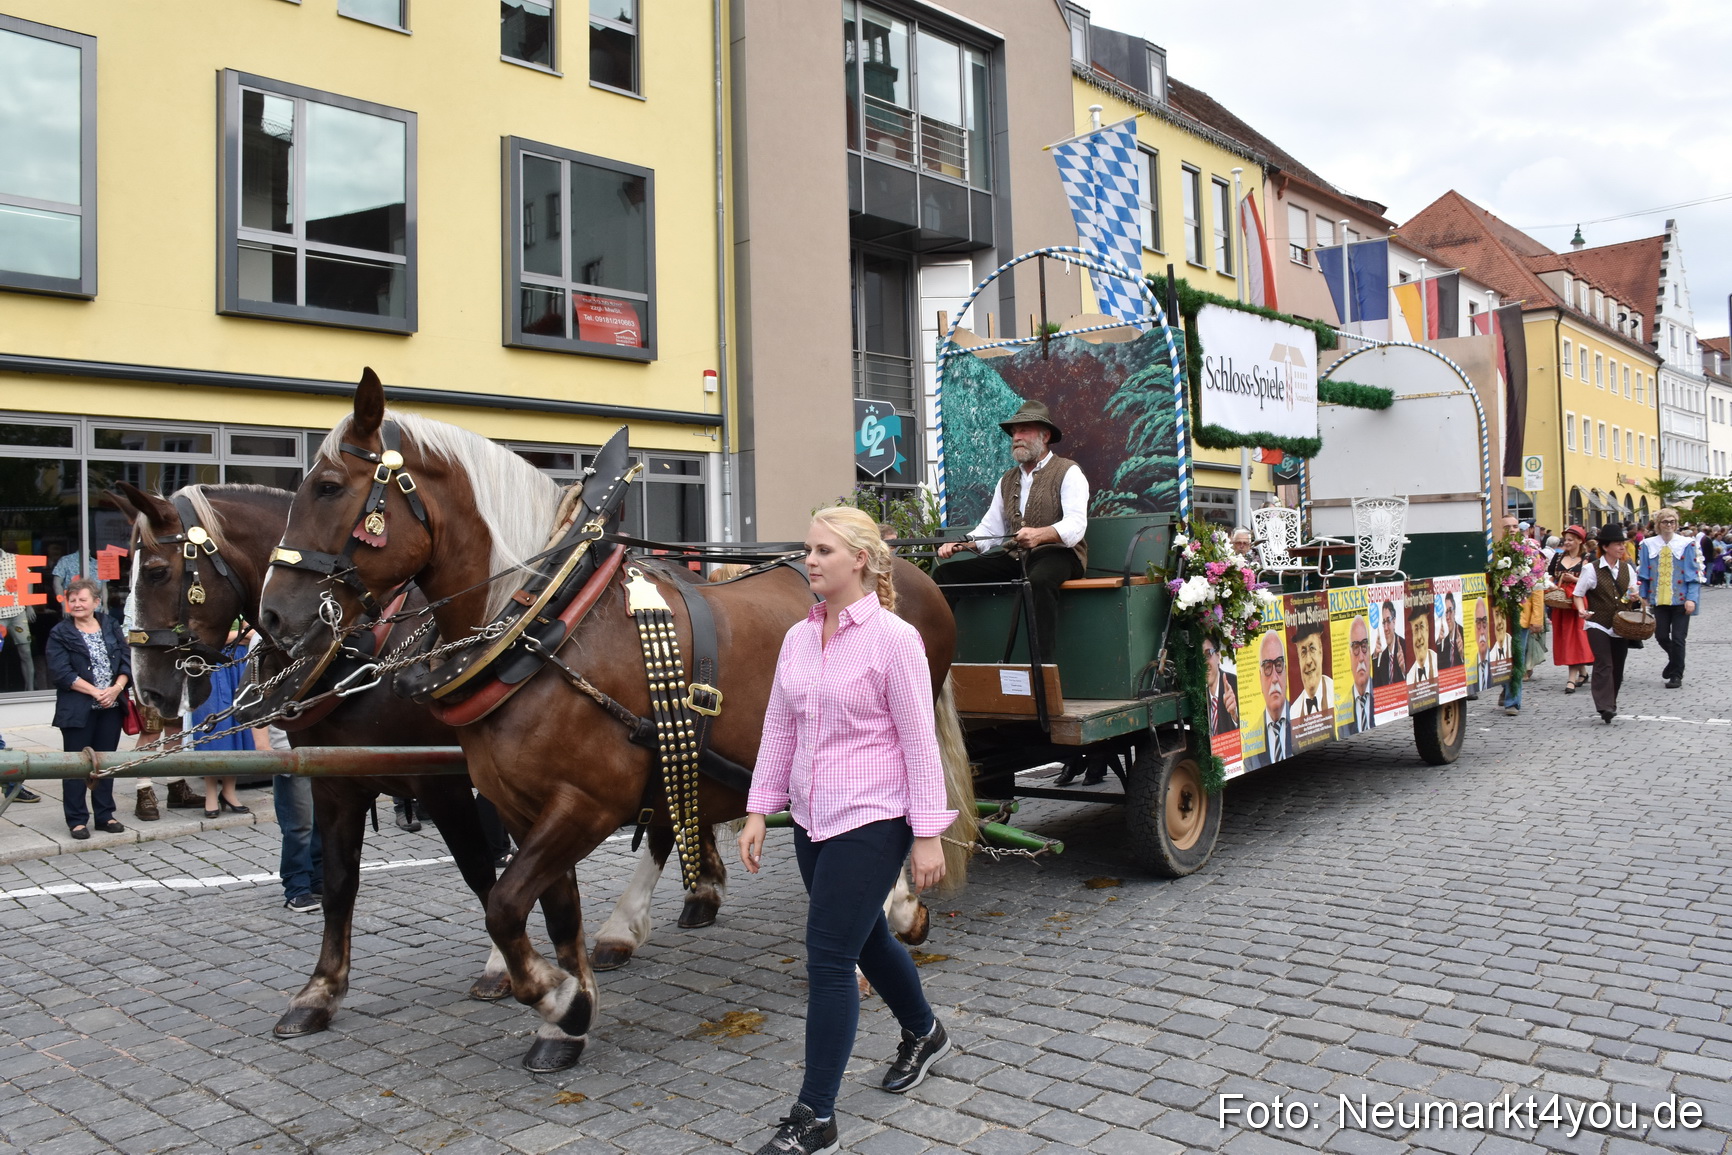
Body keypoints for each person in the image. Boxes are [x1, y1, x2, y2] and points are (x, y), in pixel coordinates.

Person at [738, 506, 956, 1155]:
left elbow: (920, 742)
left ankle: (815, 1116)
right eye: (807, 548)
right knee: (862, 939)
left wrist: (926, 832)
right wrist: (758, 807)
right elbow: (780, 727)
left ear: (859, 559)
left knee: (829, 957)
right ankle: (925, 1030)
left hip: (874, 815)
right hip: (810, 816)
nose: (810, 559)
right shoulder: (796, 639)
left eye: (823, 549)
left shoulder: (894, 639)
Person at [934, 400, 1088, 660]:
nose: (1016, 437)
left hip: (1060, 554)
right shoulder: (1007, 479)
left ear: (1045, 435)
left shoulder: (1068, 471)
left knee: (1037, 581)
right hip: (1017, 556)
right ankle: (937, 661)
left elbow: (1076, 525)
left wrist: (1039, 534)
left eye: (1024, 430)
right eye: (1014, 433)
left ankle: (1042, 672)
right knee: (946, 575)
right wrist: (964, 543)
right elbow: (991, 527)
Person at [46, 578, 131, 839]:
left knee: (106, 763)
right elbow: (61, 673)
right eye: (72, 600)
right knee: (76, 766)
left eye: (82, 599)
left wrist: (116, 689)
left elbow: (126, 661)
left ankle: (105, 815)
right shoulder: (60, 632)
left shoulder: (111, 624)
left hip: (111, 706)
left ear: (96, 601)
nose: (77, 604)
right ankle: (77, 820)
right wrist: (95, 691)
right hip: (77, 710)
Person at [1573, 523, 1641, 724]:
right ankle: (1604, 706)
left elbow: (1631, 594)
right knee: (1604, 663)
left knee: (1618, 666)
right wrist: (1581, 610)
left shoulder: (1628, 569)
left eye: (1623, 544)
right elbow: (1578, 594)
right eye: (1618, 544)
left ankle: (1611, 702)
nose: (1622, 548)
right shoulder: (1590, 569)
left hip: (1622, 624)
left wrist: (1634, 597)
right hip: (1597, 623)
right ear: (1606, 546)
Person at [189, 624, 254, 819]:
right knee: (212, 730)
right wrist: (237, 636)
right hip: (210, 665)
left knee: (237, 727)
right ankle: (210, 793)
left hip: (239, 662)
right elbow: (202, 637)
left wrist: (226, 636)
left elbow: (252, 634)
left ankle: (229, 791)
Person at [1636, 507, 1701, 689]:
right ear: (1658, 524)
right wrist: (1644, 595)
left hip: (1681, 599)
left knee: (1679, 637)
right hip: (1659, 599)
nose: (1669, 525)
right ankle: (1674, 661)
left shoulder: (1686, 544)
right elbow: (1644, 573)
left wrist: (1691, 598)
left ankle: (1676, 675)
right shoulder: (1648, 544)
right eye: (1665, 521)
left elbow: (1693, 573)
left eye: (1672, 521)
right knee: (1661, 635)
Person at [266, 725, 324, 913]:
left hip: (321, 747)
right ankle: (297, 888)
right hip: (288, 749)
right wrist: (266, 749)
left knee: (321, 819)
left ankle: (318, 878)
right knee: (299, 825)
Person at [1548, 526, 1594, 693]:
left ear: (1579, 541)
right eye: (1565, 539)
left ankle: (1571, 680)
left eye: (1570, 540)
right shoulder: (1558, 556)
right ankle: (1582, 673)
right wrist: (1551, 586)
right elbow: (1551, 577)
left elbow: (1591, 582)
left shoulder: (1588, 558)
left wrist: (1573, 578)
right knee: (1565, 638)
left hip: (1578, 604)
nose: (1566, 542)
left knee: (1574, 639)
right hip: (1561, 603)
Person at [1243, 631, 1293, 770]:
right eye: (1267, 668)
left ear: (1286, 672)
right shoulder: (1250, 742)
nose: (1275, 678)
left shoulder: (1300, 717)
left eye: (1278, 665)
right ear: (1260, 678)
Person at [1286, 623, 1333, 721]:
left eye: (1312, 649)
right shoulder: (1294, 712)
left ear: (1321, 652)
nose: (1308, 661)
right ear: (1298, 659)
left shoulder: (1335, 693)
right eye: (1303, 652)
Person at [1340, 617, 1374, 736]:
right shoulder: (1342, 708)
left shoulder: (1380, 690)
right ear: (1349, 655)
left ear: (1369, 650)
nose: (1361, 658)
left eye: (1364, 646)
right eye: (1355, 648)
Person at [1202, 635, 1238, 736]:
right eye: (1200, 658)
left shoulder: (1234, 684)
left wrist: (1234, 715)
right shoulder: (1198, 692)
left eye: (1208, 654)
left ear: (1218, 656)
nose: (1204, 662)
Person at [1371, 600, 1407, 687]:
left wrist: (1403, 669)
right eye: (1384, 622)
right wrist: (1375, 656)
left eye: (1388, 621)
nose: (1386, 628)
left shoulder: (1404, 646)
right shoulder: (1383, 656)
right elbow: (1376, 684)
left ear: (1394, 621)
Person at [1405, 607, 1438, 685]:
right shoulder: (1410, 678)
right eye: (1416, 630)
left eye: (1422, 627)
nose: (1419, 637)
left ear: (1428, 630)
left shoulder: (1438, 663)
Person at [1436, 592, 1465, 670]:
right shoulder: (1444, 641)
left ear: (1455, 611)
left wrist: (1462, 655)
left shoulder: (1463, 634)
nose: (1448, 617)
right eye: (1446, 612)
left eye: (1450, 611)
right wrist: (1438, 641)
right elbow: (1438, 665)